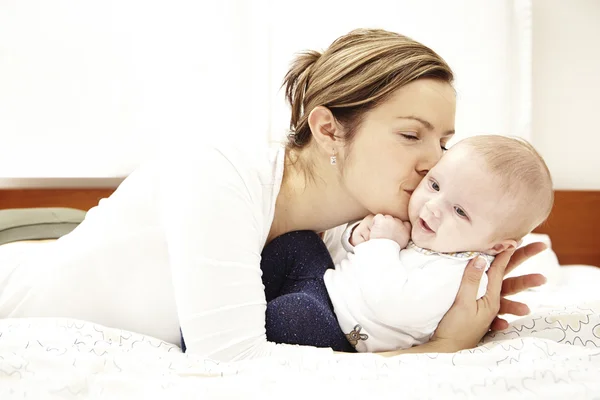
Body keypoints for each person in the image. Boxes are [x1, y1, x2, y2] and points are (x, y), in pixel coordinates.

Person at [0, 29, 546, 361]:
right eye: (411, 134)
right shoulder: (220, 171)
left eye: (445, 141)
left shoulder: (354, 235)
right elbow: (236, 365)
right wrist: (439, 353)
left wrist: (440, 298)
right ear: (329, 128)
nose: (437, 161)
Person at [260, 135, 553, 353]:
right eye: (435, 185)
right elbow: (353, 256)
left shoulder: (462, 278)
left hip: (342, 331)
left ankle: (253, 322)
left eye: (460, 211)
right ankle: (246, 294)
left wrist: (382, 244)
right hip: (327, 286)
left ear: (497, 246)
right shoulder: (432, 229)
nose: (434, 206)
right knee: (300, 243)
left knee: (293, 314)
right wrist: (359, 236)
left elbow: (391, 304)